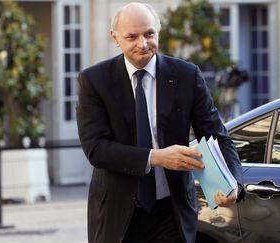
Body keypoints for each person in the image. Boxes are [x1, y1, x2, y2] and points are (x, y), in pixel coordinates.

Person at [76, 2, 244, 243]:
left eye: (149, 34)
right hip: (116, 213)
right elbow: (96, 149)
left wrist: (234, 184)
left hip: (171, 212)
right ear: (115, 38)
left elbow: (217, 135)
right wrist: (156, 157)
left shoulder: (187, 75)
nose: (142, 44)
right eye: (132, 36)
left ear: (158, 31)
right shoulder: (93, 81)